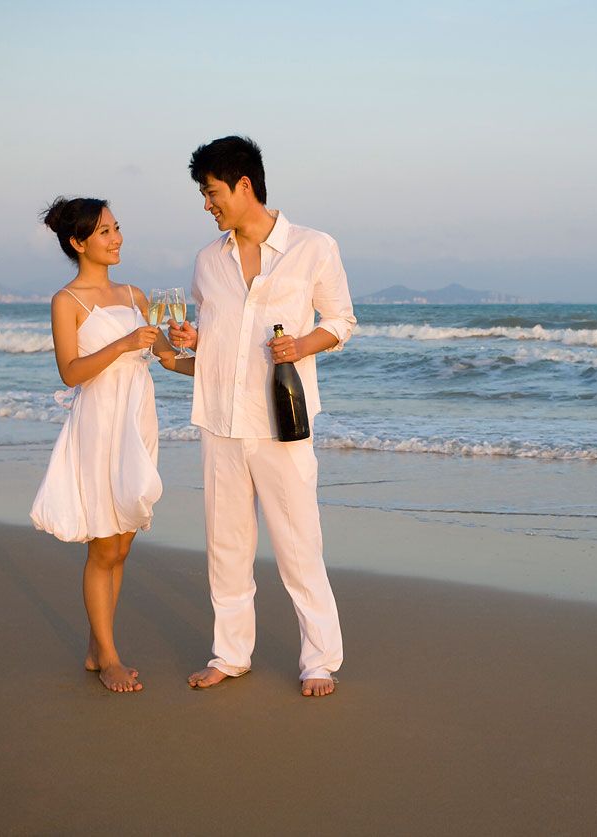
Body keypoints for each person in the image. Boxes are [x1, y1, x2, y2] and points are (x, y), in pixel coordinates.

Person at [164, 136, 356, 697]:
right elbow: (215, 341)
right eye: (204, 194)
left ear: (244, 185)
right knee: (226, 544)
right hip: (220, 423)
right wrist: (190, 340)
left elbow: (342, 321)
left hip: (281, 422)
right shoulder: (207, 261)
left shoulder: (313, 247)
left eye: (212, 191)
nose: (207, 204)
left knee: (299, 543)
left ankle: (319, 660)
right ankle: (231, 654)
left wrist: (301, 345)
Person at [30, 196, 173, 694]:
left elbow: (168, 357)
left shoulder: (135, 294)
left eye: (117, 228)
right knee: (103, 543)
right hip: (99, 423)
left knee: (125, 540)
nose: (117, 238)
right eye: (106, 231)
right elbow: (70, 373)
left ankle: (97, 647)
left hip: (138, 419)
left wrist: (212, 365)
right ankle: (108, 656)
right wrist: (122, 345)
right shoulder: (66, 302)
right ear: (78, 242)